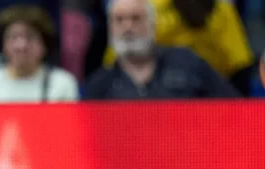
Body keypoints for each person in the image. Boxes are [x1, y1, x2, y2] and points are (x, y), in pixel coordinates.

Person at [82, 0, 237, 100]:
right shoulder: (99, 85)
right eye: (119, 20)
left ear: (152, 24)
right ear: (110, 28)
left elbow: (234, 108)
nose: (127, 27)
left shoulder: (188, 63)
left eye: (136, 18)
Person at [0, 5, 78, 104]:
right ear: (3, 45)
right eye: (13, 37)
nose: (21, 46)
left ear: (44, 45)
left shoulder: (62, 84)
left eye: (30, 37)